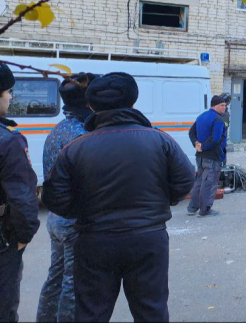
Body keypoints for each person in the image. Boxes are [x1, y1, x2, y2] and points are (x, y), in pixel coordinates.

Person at [42, 72, 195, 322]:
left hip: (94, 241)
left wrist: (86, 212)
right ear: (133, 102)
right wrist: (158, 204)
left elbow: (56, 199)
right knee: (151, 311)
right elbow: (185, 182)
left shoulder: (75, 148)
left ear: (91, 106)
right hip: (148, 239)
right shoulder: (160, 140)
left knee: (91, 312)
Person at [37, 73, 97, 323]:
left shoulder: (58, 129)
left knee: (56, 276)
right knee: (74, 283)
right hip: (74, 221)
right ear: (88, 102)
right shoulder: (83, 134)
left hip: (56, 220)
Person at [0, 63, 40, 322]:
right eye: (8, 92)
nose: (11, 97)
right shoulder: (9, 140)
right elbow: (22, 197)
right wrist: (23, 237)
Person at [187, 95, 228, 217]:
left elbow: (191, 132)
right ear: (214, 106)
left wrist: (196, 144)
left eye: (225, 105)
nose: (224, 108)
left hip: (200, 156)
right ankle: (205, 209)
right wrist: (203, 146)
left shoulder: (201, 117)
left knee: (199, 181)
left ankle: (192, 208)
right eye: (222, 105)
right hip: (212, 156)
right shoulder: (218, 120)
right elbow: (216, 139)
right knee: (209, 183)